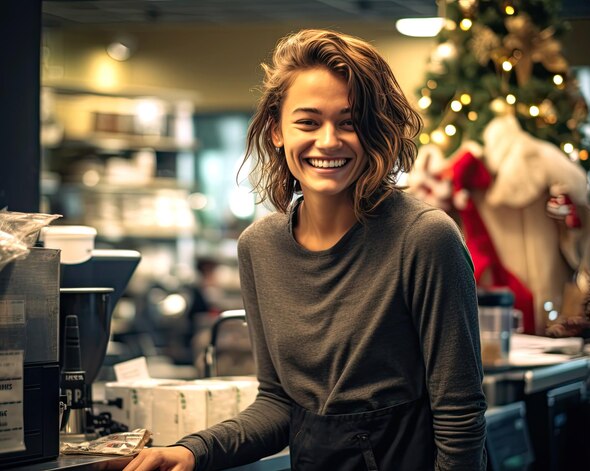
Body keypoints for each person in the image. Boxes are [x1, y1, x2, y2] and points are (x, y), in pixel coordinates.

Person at [123, 28, 487, 471]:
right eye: (308, 122)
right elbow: (278, 404)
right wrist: (191, 451)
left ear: (375, 132)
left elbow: (460, 415)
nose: (329, 140)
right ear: (277, 130)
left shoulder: (425, 238)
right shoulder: (259, 247)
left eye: (349, 122)